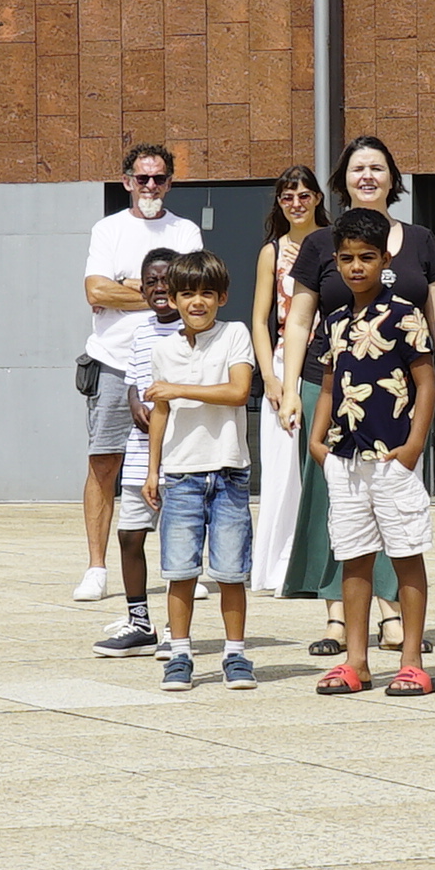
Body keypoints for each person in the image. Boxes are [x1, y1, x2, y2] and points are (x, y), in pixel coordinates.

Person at [285, 132, 435, 654]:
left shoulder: (421, 241)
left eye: (377, 168)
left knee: (391, 503)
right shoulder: (320, 243)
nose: (367, 176)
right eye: (357, 168)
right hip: (328, 386)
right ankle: (337, 619)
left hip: (399, 398)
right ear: (342, 181)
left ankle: (392, 615)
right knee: (335, 504)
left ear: (393, 179)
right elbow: (299, 320)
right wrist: (290, 389)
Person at [307, 207, 435, 695]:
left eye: (366, 257)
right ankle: (356, 661)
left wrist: (413, 445)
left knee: (405, 553)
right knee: (354, 556)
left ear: (385, 259)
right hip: (344, 458)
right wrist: (317, 441)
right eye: (347, 258)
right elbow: (328, 385)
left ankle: (411, 661)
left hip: (391, 457)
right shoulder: (335, 321)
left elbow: (426, 384)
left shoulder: (405, 315)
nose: (356, 267)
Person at [76, 139, 202, 624]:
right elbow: (94, 289)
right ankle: (96, 566)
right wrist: (156, 293)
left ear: (170, 182)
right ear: (126, 181)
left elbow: (192, 292)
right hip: (112, 362)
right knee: (104, 462)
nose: (150, 185)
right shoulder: (108, 229)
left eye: (159, 178)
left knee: (179, 464)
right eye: (142, 177)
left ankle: (182, 565)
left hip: (175, 362)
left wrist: (124, 287)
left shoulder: (185, 230)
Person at [144, 250, 263, 690]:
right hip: (180, 473)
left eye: (207, 293)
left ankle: (235, 653)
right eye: (188, 294)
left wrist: (176, 388)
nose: (198, 302)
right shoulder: (163, 349)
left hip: (228, 470)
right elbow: (159, 412)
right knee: (179, 572)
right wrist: (153, 470)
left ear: (222, 298)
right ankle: (180, 654)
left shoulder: (234, 334)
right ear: (173, 299)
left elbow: (238, 391)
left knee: (231, 572)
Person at [248, 166, 342, 641]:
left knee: (324, 469)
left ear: (318, 198)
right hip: (288, 363)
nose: (297, 203)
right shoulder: (272, 251)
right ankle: (280, 564)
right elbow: (260, 319)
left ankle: (326, 561)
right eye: (288, 196)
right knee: (284, 470)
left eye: (304, 195)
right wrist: (269, 376)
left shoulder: (333, 242)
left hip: (332, 360)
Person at [96, 247, 188, 658]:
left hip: (181, 455)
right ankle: (138, 622)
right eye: (151, 282)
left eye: (167, 280)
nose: (159, 288)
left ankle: (175, 629)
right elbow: (134, 381)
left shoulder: (192, 328)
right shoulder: (141, 332)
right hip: (140, 457)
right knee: (130, 535)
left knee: (177, 542)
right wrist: (135, 403)